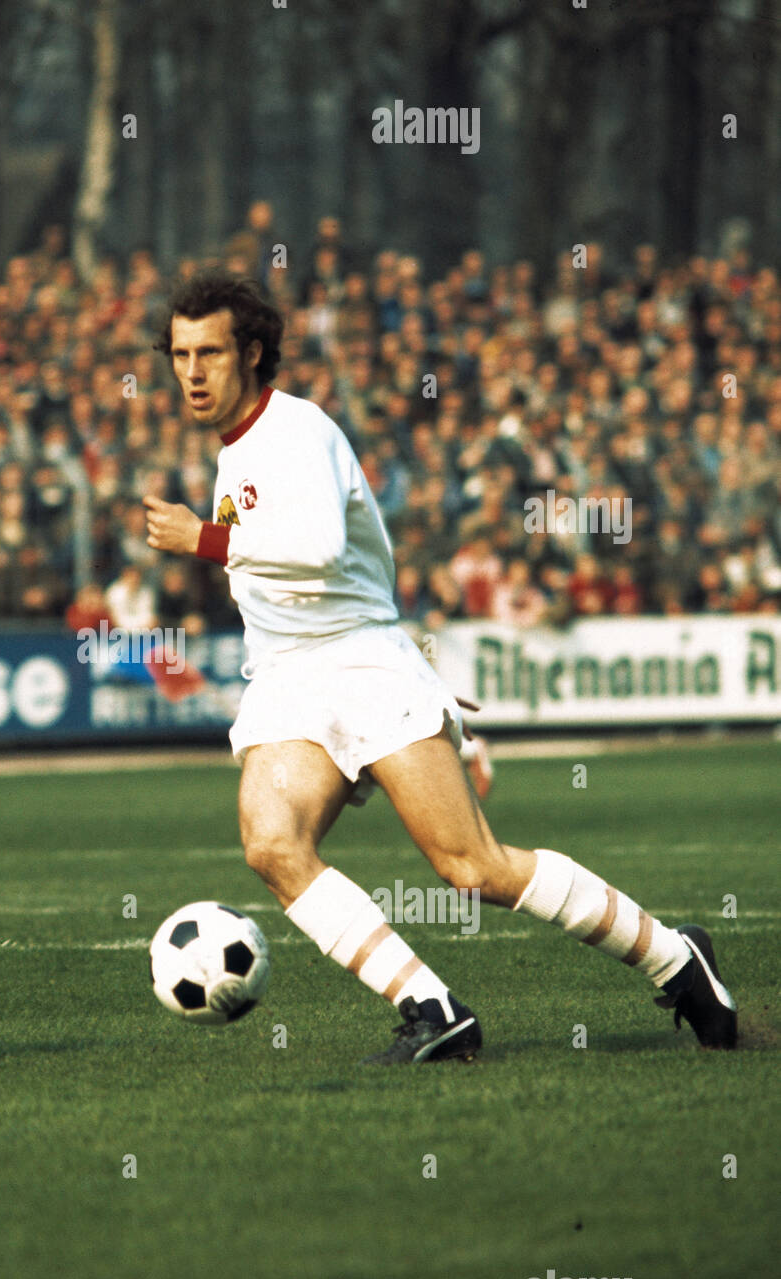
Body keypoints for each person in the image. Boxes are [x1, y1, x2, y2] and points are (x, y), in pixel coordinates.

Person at [144, 271, 736, 1062]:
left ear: (252, 353)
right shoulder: (236, 453)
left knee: (472, 867)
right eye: (180, 353)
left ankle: (674, 956)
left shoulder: (297, 429)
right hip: (290, 678)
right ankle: (432, 1006)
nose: (191, 370)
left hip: (360, 667)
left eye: (209, 351)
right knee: (271, 844)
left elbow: (320, 552)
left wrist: (206, 541)